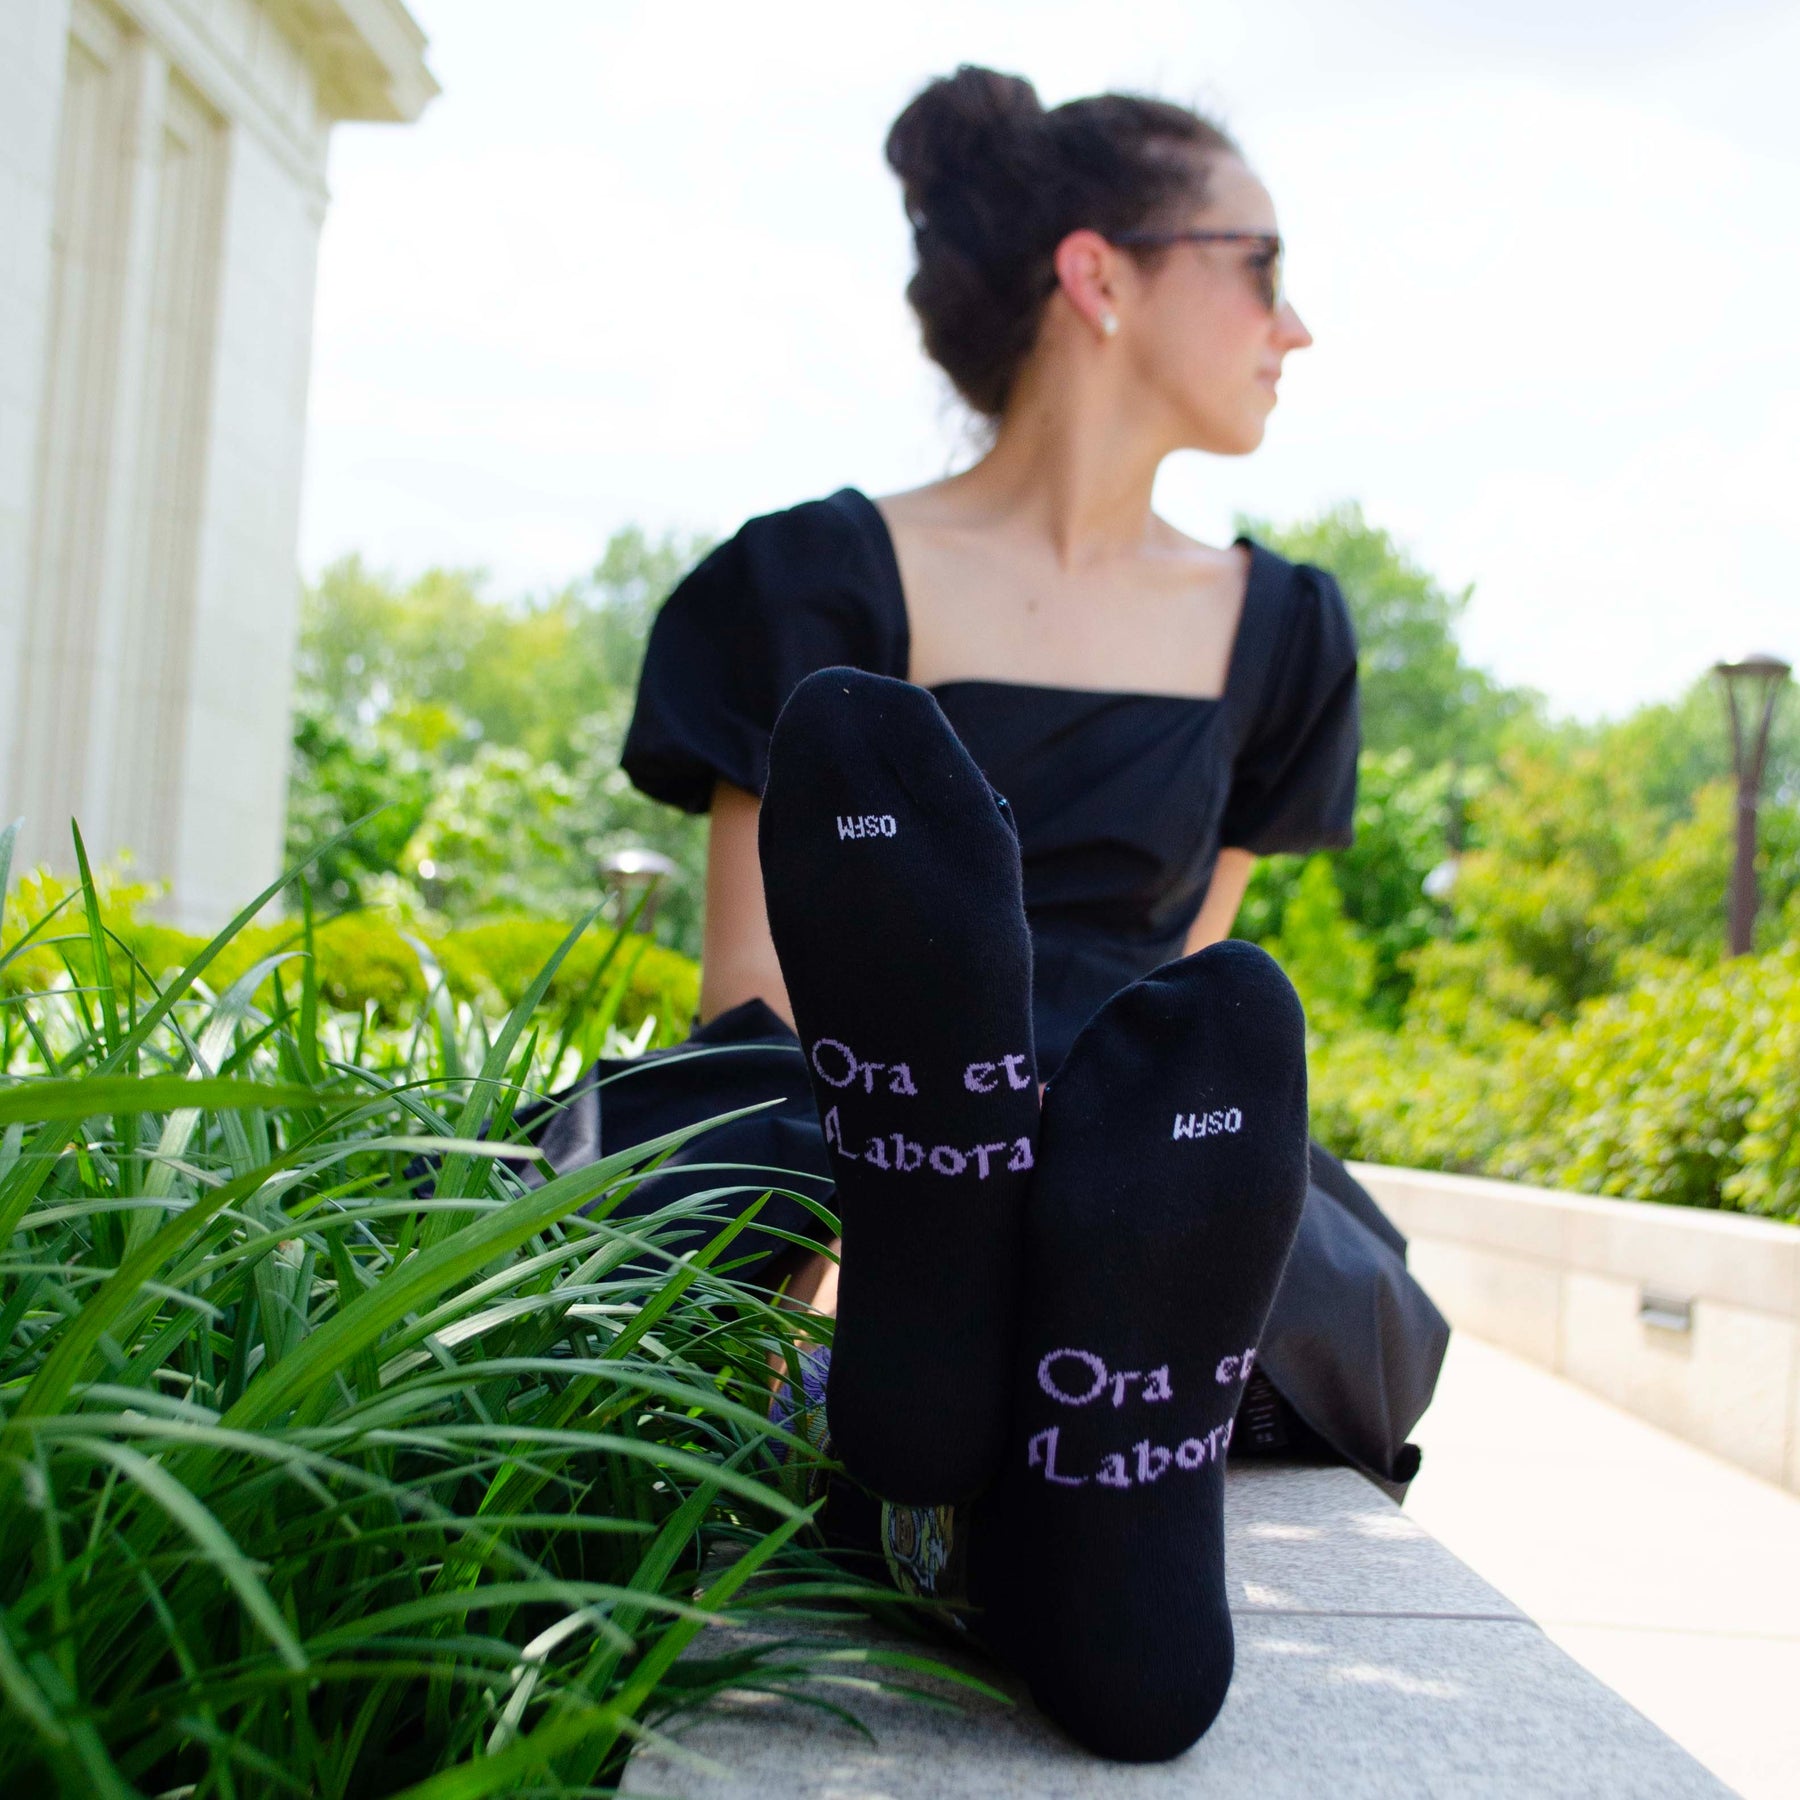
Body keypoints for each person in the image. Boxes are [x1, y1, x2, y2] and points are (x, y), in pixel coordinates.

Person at [531, 65, 1449, 1761]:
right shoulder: (813, 579)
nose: (1296, 326)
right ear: (1102, 275)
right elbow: (759, 998)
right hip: (848, 1096)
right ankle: (984, 1360)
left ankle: (954, 1409)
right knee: (722, 1160)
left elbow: (1194, 1017)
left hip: (1117, 1137)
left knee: (1237, 1215)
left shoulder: (1283, 633)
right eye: (1262, 265)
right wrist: (853, 1232)